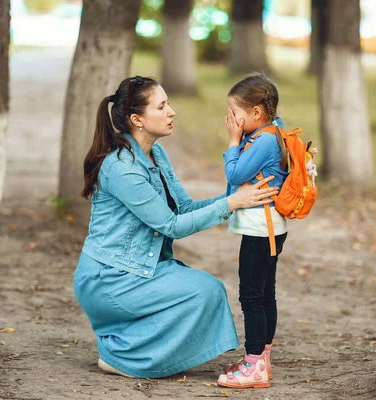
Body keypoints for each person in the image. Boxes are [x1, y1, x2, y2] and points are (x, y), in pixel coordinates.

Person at [73, 75, 279, 379]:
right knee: (202, 293)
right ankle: (121, 355)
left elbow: (185, 208)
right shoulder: (122, 168)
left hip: (142, 267)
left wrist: (237, 195)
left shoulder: (156, 153)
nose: (172, 112)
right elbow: (171, 225)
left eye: (168, 103)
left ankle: (125, 342)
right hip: (111, 278)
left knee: (207, 291)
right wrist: (232, 204)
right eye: (162, 106)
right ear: (137, 120)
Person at [217, 74, 290, 389]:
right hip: (270, 227)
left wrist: (233, 141)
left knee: (251, 296)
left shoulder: (263, 140)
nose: (231, 119)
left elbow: (235, 173)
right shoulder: (271, 132)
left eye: (236, 112)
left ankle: (254, 363)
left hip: (263, 229)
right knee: (264, 294)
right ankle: (262, 360)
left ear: (257, 112)